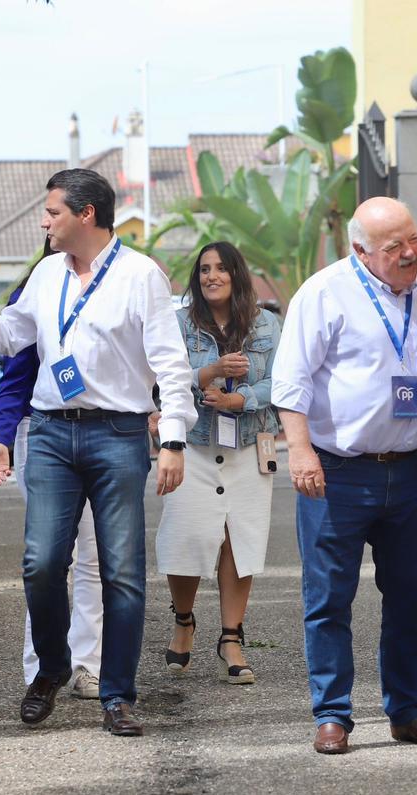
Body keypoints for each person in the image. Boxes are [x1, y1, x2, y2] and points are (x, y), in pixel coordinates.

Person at [0, 168, 196, 737]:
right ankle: (50, 669)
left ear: (86, 214)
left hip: (120, 436)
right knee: (41, 562)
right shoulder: (47, 274)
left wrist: (172, 439)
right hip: (49, 433)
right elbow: (6, 337)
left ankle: (118, 694)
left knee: (122, 572)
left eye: (52, 212)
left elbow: (172, 367)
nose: (43, 222)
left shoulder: (141, 275)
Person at [273, 197, 417, 755]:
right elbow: (291, 381)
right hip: (336, 473)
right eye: (393, 246)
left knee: (413, 597)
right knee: (328, 598)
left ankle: (406, 709)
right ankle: (332, 714)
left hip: (410, 471)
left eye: (412, 238)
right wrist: (299, 451)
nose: (410, 253)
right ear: (360, 250)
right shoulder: (324, 293)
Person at [0, 240, 103, 701]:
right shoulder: (35, 292)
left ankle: (88, 665)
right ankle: (41, 666)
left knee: (94, 555)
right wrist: (2, 440)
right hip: (45, 433)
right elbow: (14, 380)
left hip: (105, 430)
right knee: (47, 559)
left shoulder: (118, 286)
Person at [156, 241, 281, 685]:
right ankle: (184, 622)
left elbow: (281, 384)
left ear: (236, 275)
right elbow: (162, 380)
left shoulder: (267, 324)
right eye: (205, 269)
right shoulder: (178, 325)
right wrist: (206, 376)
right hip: (193, 445)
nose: (212, 276)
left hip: (247, 445)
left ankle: (231, 638)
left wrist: (240, 398)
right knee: (186, 536)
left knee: (239, 541)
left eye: (221, 268)